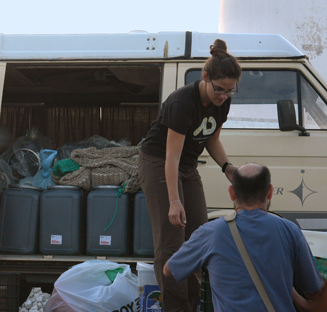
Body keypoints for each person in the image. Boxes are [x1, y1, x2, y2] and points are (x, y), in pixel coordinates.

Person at [138, 38, 241, 311]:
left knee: (198, 236)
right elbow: (170, 156)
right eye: (219, 89)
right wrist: (174, 201)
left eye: (230, 91)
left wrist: (227, 168)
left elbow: (212, 139)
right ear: (205, 77)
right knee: (172, 239)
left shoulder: (223, 102)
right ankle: (176, 307)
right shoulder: (182, 101)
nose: (223, 96)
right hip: (159, 161)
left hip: (187, 166)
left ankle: (191, 305)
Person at [163, 164, 323, 311]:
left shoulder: (210, 233)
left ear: (232, 193)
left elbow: (169, 270)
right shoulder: (290, 230)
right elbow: (315, 292)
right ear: (270, 191)